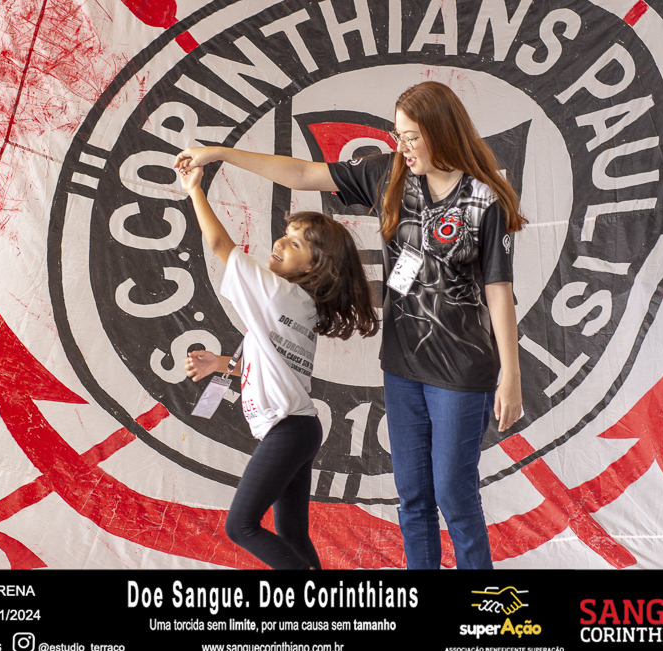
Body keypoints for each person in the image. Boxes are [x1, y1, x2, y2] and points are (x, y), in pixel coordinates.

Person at [175, 80, 525, 569]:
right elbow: (302, 173)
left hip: (463, 370)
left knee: (454, 493)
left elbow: (498, 289)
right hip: (403, 366)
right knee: (413, 498)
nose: (401, 146)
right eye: (398, 135)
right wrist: (220, 155)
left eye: (411, 137)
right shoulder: (389, 175)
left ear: (442, 132)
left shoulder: (485, 201)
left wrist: (511, 375)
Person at [176, 163, 379, 570]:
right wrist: (221, 364)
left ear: (313, 267)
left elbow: (218, 243)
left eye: (296, 243)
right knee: (292, 534)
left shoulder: (275, 292)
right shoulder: (299, 306)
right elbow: (272, 366)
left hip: (288, 430)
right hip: (298, 428)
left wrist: (194, 189)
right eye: (286, 234)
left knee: (241, 526)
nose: (281, 242)